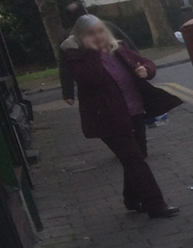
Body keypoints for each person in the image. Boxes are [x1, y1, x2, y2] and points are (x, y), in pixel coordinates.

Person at [64, 15, 181, 219]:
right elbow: (91, 79)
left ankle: (131, 199)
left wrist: (146, 69)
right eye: (91, 33)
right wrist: (93, 51)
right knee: (135, 160)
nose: (98, 36)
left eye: (100, 31)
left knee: (136, 157)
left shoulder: (117, 48)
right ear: (81, 37)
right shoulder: (76, 57)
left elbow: (145, 61)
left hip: (134, 111)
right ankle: (155, 204)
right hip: (107, 118)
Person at [59, 1, 131, 105]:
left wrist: (68, 93)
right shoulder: (106, 26)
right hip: (116, 75)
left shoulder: (66, 38)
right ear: (86, 12)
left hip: (90, 85)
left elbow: (65, 66)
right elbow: (127, 46)